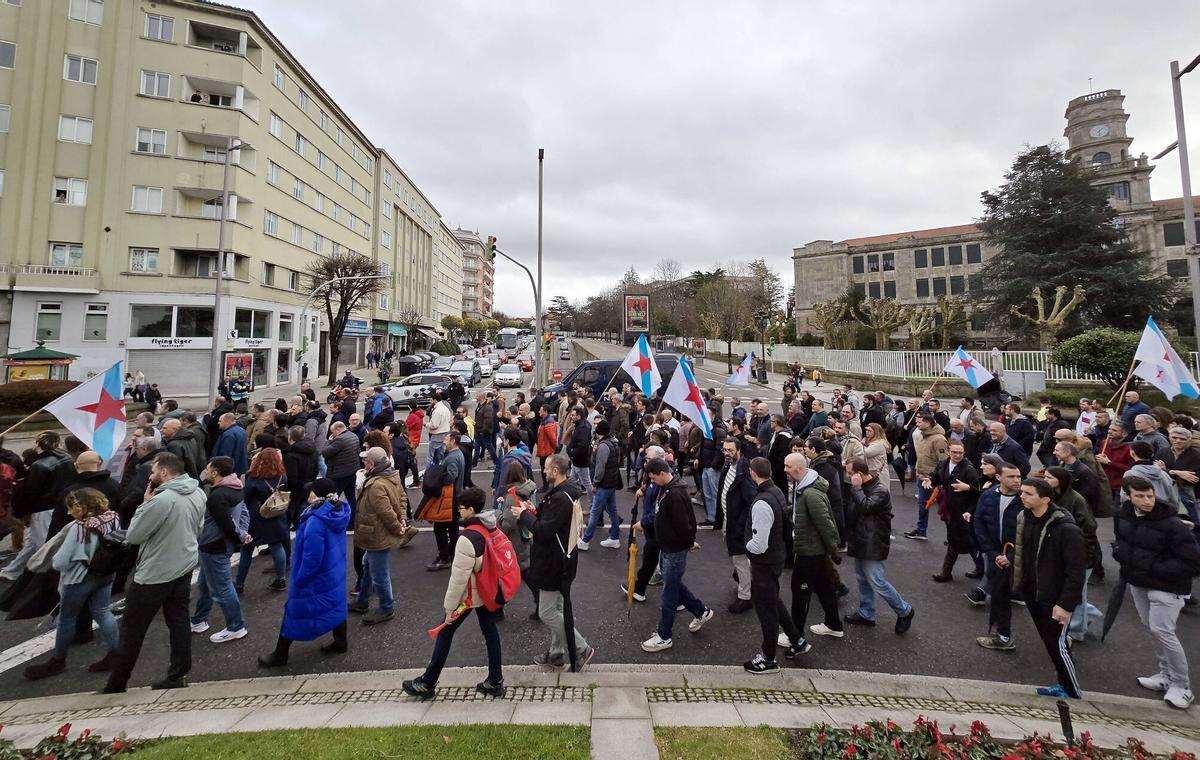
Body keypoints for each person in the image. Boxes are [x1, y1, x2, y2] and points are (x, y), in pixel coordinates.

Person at [103, 452, 206, 693]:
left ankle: (117, 682)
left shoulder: (162, 500)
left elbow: (134, 535)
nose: (150, 476)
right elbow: (198, 527)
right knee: (179, 621)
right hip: (184, 563)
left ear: (164, 472)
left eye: (153, 471)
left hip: (155, 572)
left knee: (132, 628)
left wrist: (145, 505)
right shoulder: (198, 492)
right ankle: (178, 674)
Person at [403, 487, 507, 700]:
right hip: (486, 590)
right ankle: (495, 680)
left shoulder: (467, 538)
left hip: (470, 596)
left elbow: (458, 579)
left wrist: (449, 608)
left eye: (461, 508)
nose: (458, 511)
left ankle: (428, 682)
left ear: (470, 509)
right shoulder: (489, 526)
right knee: (490, 631)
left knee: (445, 631)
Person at [1114, 476, 1200, 710]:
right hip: (1138, 582)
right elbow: (1122, 541)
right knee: (1152, 629)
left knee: (1163, 631)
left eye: (1150, 495)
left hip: (1167, 587)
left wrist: (1154, 568)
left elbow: (1193, 562)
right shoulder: (1123, 515)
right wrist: (1120, 553)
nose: (1147, 501)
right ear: (1128, 496)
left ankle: (1182, 685)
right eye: (1140, 496)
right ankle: (1165, 675)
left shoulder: (1172, 523)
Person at [22, 488, 121, 680]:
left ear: (82, 507)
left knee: (67, 619)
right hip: (106, 573)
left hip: (79, 578)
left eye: (71, 508)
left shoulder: (79, 528)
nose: (68, 512)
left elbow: (60, 561)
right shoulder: (112, 517)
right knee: (102, 612)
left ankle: (58, 661)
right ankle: (117, 653)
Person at [514, 453, 595, 671]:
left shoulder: (561, 497)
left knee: (547, 612)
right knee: (557, 608)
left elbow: (544, 530)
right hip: (562, 559)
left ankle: (581, 648)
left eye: (547, 468)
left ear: (556, 471)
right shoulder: (565, 490)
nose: (544, 471)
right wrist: (532, 511)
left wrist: (524, 515)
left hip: (554, 562)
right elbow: (551, 520)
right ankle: (557, 653)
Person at [258, 479, 351, 667]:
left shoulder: (316, 521)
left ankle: (280, 654)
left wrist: (300, 578)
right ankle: (341, 642)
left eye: (312, 491)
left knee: (294, 610)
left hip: (316, 576)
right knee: (335, 603)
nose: (309, 494)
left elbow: (312, 558)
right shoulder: (338, 510)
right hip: (333, 570)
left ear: (318, 495)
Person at [1011, 477, 1085, 699]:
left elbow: (1076, 571)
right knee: (1050, 641)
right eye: (1022, 492)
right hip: (1033, 592)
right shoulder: (1025, 517)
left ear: (1044, 499)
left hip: (1055, 597)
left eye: (1028, 494)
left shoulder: (1066, 529)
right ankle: (1063, 682)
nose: (1022, 497)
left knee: (1057, 643)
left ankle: (1071, 689)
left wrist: (1065, 604)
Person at [639, 458, 713, 653]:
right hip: (668, 548)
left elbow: (685, 524)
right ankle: (700, 610)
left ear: (663, 474)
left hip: (673, 551)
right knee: (673, 584)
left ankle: (664, 636)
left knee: (669, 595)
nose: (652, 482)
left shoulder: (674, 494)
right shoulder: (668, 489)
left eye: (653, 478)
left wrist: (689, 543)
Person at [742, 457, 804, 673]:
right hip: (776, 557)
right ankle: (796, 640)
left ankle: (768, 659)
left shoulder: (761, 502)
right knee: (773, 601)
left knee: (766, 610)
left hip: (765, 562)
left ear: (753, 473)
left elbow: (759, 544)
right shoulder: (776, 491)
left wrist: (746, 547)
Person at [843, 457, 916, 633]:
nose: (847, 476)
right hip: (861, 540)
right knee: (863, 579)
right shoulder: (862, 488)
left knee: (877, 581)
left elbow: (866, 507)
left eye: (850, 473)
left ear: (859, 474)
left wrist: (856, 488)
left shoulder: (879, 490)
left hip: (873, 542)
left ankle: (905, 610)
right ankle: (866, 613)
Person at [783, 452, 844, 643]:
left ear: (800, 468)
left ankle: (795, 636)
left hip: (809, 551)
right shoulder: (803, 487)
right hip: (814, 549)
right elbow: (799, 512)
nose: (784, 470)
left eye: (787, 466)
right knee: (824, 587)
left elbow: (826, 525)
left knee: (800, 592)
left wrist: (834, 551)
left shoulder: (811, 494)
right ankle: (834, 625)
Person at [189, 457, 249, 644]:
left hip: (215, 546)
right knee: (205, 585)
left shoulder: (217, 496)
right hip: (218, 545)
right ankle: (199, 620)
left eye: (208, 469)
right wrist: (243, 533)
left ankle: (236, 626)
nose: (205, 472)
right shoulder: (236, 486)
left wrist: (239, 537)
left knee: (222, 589)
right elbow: (244, 512)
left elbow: (226, 524)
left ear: (215, 472)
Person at [350, 447, 409, 625]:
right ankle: (362, 600)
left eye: (366, 461)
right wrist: (402, 518)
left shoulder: (376, 484)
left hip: (376, 534)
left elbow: (386, 512)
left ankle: (386, 607)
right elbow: (402, 498)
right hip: (377, 533)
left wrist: (398, 527)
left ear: (373, 464)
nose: (363, 463)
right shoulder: (392, 476)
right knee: (368, 566)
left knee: (379, 575)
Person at [2, 433, 73, 581]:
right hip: (58, 504)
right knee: (32, 542)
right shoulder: (65, 458)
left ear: (38, 443)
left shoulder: (39, 465)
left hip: (42, 509)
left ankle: (46, 577)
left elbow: (30, 492)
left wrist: (21, 513)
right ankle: (13, 570)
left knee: (43, 544)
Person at [1043, 467, 1101, 641]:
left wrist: (1084, 557)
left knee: (1077, 595)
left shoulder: (1076, 499)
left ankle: (1076, 631)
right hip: (1061, 554)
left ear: (1060, 480)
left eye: (1049, 477)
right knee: (1067, 591)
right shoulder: (1050, 496)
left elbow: (1089, 529)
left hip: (1081, 555)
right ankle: (1089, 614)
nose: (1045, 480)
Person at [925, 440, 982, 582]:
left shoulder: (968, 469)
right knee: (961, 540)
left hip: (964, 510)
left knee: (961, 541)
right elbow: (937, 477)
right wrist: (930, 480)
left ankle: (947, 572)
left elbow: (978, 492)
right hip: (950, 508)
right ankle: (979, 568)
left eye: (960, 453)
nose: (957, 455)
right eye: (954, 452)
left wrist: (968, 488)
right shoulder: (943, 464)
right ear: (948, 452)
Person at [236, 448, 289, 593]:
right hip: (276, 514)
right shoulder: (282, 476)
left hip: (256, 517)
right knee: (277, 546)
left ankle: (239, 583)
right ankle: (281, 579)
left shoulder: (254, 478)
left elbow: (245, 497)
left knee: (247, 549)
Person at [717, 437, 758, 614]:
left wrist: (740, 525)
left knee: (739, 559)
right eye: (724, 450)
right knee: (738, 557)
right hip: (729, 520)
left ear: (739, 451)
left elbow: (751, 501)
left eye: (730, 450)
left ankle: (745, 596)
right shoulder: (729, 465)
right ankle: (746, 578)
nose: (727, 454)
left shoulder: (744, 472)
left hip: (737, 524)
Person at [498, 461, 539, 618]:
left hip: (513, 539)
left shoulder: (512, 494)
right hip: (525, 535)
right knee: (525, 569)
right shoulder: (528, 488)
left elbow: (508, 523)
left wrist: (499, 516)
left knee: (506, 574)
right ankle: (539, 600)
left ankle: (498, 608)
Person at [421, 430, 465, 572]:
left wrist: (437, 478)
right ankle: (451, 554)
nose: (444, 440)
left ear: (453, 441)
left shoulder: (452, 458)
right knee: (452, 528)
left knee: (440, 527)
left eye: (446, 438)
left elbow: (451, 477)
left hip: (449, 498)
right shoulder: (457, 454)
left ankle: (444, 557)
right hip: (455, 496)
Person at [579, 420, 622, 551]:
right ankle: (614, 537)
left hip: (603, 484)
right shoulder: (613, 443)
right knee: (612, 511)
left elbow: (600, 467)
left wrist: (596, 483)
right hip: (611, 482)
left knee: (594, 513)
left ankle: (585, 541)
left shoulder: (603, 446)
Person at [906, 413, 948, 540]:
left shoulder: (939, 439)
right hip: (922, 475)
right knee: (923, 504)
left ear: (928, 423)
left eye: (919, 422)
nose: (917, 424)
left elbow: (943, 461)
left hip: (930, 478)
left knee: (938, 506)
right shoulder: (924, 436)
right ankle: (921, 530)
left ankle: (923, 530)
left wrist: (937, 479)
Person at [284, 425, 319, 527]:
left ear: (290, 437)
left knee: (291, 508)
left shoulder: (291, 455)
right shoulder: (313, 449)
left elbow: (292, 476)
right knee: (302, 507)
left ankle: (289, 525)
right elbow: (316, 468)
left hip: (295, 487)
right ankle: (299, 525)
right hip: (308, 483)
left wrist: (287, 488)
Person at [565, 407, 593, 511]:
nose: (571, 417)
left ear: (579, 416)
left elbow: (583, 446)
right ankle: (571, 503)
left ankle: (592, 505)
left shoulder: (583, 428)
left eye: (573, 415)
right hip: (577, 460)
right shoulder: (580, 425)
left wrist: (572, 453)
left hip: (581, 460)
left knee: (587, 483)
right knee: (571, 482)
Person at [425, 392, 453, 467]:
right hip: (445, 433)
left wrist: (425, 424)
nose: (430, 401)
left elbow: (434, 425)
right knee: (442, 454)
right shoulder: (446, 409)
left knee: (430, 457)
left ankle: (428, 471)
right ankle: (443, 468)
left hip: (437, 435)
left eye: (431, 399)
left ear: (435, 400)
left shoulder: (437, 411)